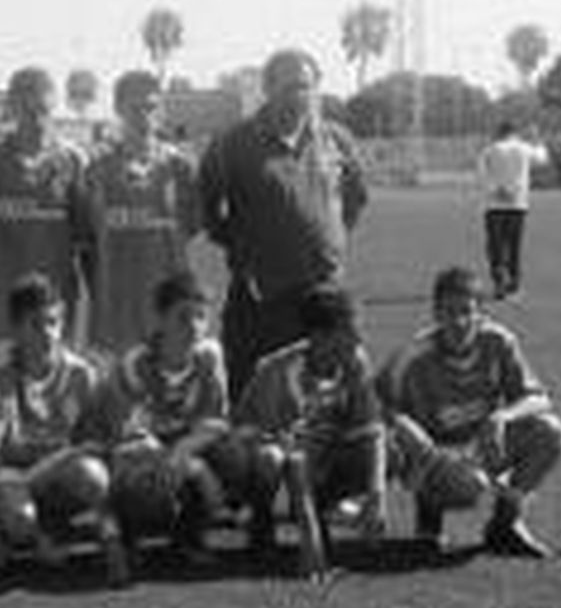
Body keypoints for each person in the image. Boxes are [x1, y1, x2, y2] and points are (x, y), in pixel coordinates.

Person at [198, 49, 367, 400]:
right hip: (262, 299)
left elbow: (355, 198)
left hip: (324, 292)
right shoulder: (233, 143)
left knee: (329, 397)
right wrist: (246, 247)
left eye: (306, 87)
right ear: (268, 89)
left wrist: (330, 240)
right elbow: (207, 209)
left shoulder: (336, 140)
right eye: (289, 87)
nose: (299, 96)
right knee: (251, 393)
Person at [382, 267, 561, 557]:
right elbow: (371, 403)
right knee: (467, 484)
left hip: (480, 447)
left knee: (550, 432)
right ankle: (428, 522)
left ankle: (506, 524)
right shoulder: (414, 355)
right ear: (435, 313)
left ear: (481, 313)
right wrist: (408, 432)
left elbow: (538, 398)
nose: (459, 322)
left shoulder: (498, 341)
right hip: (432, 454)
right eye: (449, 312)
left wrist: (501, 417)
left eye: (466, 312)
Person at [0, 275, 125, 593]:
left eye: (54, 322)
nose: (48, 333)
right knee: (19, 520)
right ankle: (31, 534)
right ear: (15, 329)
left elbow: (100, 444)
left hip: (59, 474)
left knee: (93, 475)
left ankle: (64, 532)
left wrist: (112, 536)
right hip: (15, 477)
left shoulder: (82, 375)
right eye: (36, 324)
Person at [233, 285, 387, 579]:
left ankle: (329, 507)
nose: (359, 338)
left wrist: (376, 496)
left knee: (389, 452)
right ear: (319, 336)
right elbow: (290, 456)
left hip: (316, 453)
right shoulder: (277, 372)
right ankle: (261, 523)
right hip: (267, 455)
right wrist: (310, 537)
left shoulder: (355, 360)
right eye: (349, 330)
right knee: (270, 458)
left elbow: (373, 430)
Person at [103, 271, 232, 569]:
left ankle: (189, 538)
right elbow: (127, 438)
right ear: (160, 320)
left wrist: (183, 454)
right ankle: (129, 534)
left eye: (201, 317)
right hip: (140, 449)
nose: (194, 327)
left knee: (231, 455)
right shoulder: (135, 363)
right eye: (183, 317)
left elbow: (217, 422)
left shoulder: (210, 355)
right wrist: (185, 464)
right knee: (135, 468)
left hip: (180, 445)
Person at [0, 67, 94, 368]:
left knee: (55, 389)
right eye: (27, 110)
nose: (36, 119)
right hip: (1, 308)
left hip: (54, 310)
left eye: (42, 110)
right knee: (1, 390)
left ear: (53, 105)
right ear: (12, 107)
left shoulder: (73, 160)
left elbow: (85, 237)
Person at [87, 70, 200, 355]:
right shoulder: (97, 169)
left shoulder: (180, 167)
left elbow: (192, 229)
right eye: (135, 108)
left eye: (151, 107)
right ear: (118, 109)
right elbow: (87, 234)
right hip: (117, 306)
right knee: (120, 379)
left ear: (160, 109)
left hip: (168, 304)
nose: (144, 116)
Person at [477, 121, 550, 299]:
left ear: (499, 132)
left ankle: (499, 282)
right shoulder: (523, 148)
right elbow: (542, 159)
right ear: (514, 133)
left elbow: (482, 174)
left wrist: (497, 189)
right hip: (517, 204)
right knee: (513, 246)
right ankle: (514, 284)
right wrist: (537, 139)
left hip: (494, 205)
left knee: (495, 246)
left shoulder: (489, 150)